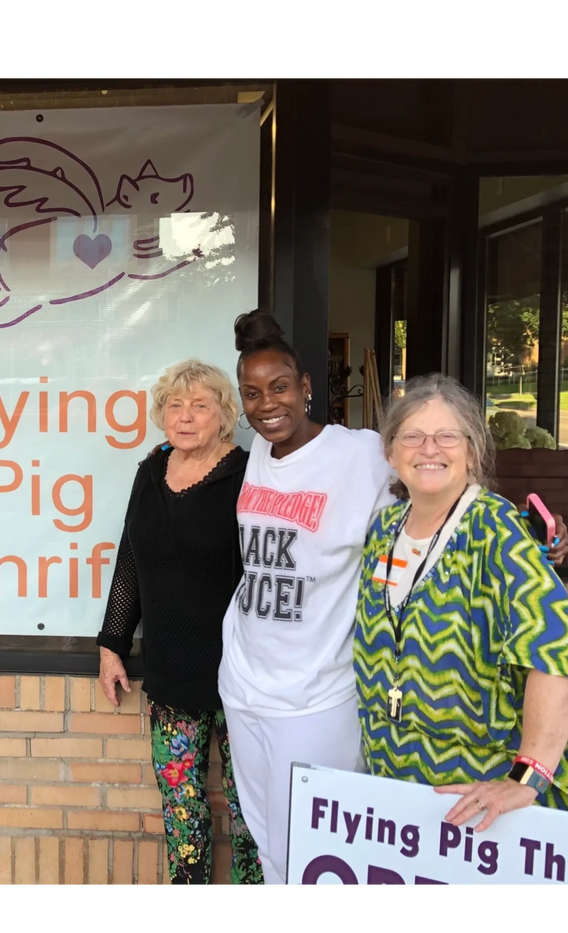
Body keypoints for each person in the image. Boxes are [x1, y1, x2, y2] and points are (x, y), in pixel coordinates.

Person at [217, 310, 397, 888]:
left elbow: (440, 485)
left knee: (320, 853)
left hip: (318, 694)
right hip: (245, 684)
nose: (267, 403)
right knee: (270, 843)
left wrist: (529, 533)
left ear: (307, 387)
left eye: (280, 387)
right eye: (252, 393)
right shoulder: (259, 456)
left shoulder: (361, 454)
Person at [356, 373, 568, 827]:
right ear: (391, 452)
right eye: (411, 436)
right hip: (394, 783)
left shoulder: (496, 531)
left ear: (472, 452)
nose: (428, 449)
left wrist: (527, 776)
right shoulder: (383, 529)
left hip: (481, 799)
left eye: (447, 436)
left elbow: (556, 648)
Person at [97, 359, 262, 888]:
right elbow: (131, 560)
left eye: (200, 406)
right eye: (175, 405)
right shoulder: (150, 471)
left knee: (248, 813)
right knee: (181, 809)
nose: (185, 417)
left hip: (243, 675)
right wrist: (112, 644)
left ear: (224, 416)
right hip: (170, 669)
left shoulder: (249, 475)